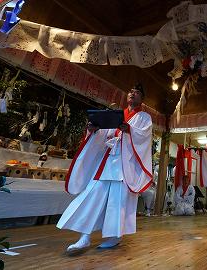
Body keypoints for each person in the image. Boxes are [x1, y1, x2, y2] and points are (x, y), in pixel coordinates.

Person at [57, 83, 153, 252]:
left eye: (137, 92)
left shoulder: (145, 117)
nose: (132, 94)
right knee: (91, 196)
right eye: (131, 91)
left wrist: (129, 129)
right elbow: (105, 133)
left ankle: (114, 237)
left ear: (142, 99)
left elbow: (144, 136)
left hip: (125, 166)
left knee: (118, 201)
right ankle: (84, 237)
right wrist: (94, 129)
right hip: (107, 161)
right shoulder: (117, 114)